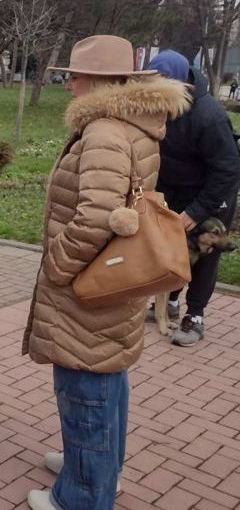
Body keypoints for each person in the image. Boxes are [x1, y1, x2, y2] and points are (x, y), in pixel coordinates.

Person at [23, 35, 190, 510]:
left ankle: (79, 495)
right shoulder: (131, 124)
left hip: (88, 284)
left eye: (74, 77)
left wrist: (57, 265)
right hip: (113, 278)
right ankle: (94, 468)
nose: (70, 85)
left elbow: (95, 215)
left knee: (86, 388)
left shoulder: (104, 132)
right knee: (107, 377)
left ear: (97, 81)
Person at [144, 50, 240, 347]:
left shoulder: (208, 116)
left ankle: (195, 315)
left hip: (214, 193)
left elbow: (227, 169)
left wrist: (196, 212)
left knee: (204, 255)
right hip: (176, 190)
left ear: (180, 84)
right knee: (173, 251)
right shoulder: (158, 107)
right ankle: (170, 302)